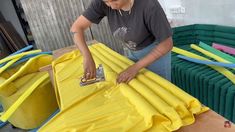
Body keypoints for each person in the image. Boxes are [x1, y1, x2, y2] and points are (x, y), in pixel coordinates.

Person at [70, 0, 173, 83]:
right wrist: (87, 56)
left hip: (155, 54)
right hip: (131, 50)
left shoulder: (149, 5)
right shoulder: (103, 2)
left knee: (158, 89)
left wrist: (135, 67)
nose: (111, 6)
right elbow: (76, 28)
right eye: (106, 2)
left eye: (114, 0)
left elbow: (166, 44)